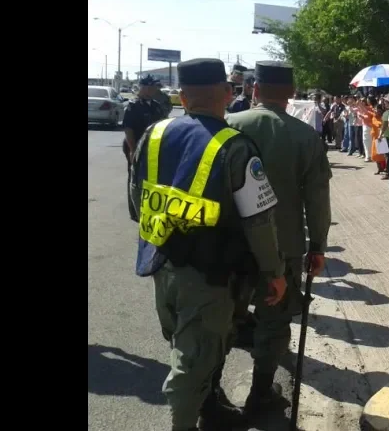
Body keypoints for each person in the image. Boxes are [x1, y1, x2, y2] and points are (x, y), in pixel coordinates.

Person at [129, 58, 288, 431]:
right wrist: (274, 273)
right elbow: (260, 221)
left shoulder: (152, 135)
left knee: (191, 345)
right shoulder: (235, 147)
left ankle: (210, 408)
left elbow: (138, 203)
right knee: (192, 361)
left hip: (161, 263)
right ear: (227, 93)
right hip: (210, 276)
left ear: (182, 96)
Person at [225, 60, 332, 415]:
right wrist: (317, 245)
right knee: (274, 321)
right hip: (284, 246)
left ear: (254, 89)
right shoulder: (305, 136)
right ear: (291, 93)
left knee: (222, 319)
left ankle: (209, 395)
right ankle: (260, 392)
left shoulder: (226, 126)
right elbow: (317, 199)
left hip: (229, 245)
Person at [123, 74, 166, 220]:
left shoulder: (155, 105)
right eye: (152, 86)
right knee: (134, 177)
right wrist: (133, 149)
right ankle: (135, 212)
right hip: (135, 144)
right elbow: (128, 129)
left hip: (152, 145)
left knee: (151, 176)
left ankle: (149, 206)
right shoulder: (133, 105)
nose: (155, 89)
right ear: (144, 87)